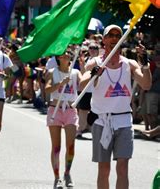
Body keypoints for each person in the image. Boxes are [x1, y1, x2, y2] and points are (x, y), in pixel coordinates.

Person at [80, 25, 152, 189]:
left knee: (123, 168)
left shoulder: (130, 63)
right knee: (104, 169)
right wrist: (94, 74)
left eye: (117, 35)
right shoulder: (94, 63)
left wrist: (145, 64)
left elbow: (146, 84)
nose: (114, 38)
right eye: (110, 35)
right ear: (104, 39)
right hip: (101, 121)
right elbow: (81, 84)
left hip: (124, 121)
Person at [45, 50, 81, 189]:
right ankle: (57, 177)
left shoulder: (75, 72)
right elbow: (47, 89)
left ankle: (67, 173)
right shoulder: (51, 71)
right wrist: (60, 83)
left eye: (68, 54)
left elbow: (84, 83)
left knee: (70, 146)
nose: (66, 55)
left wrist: (89, 70)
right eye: (63, 54)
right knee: (56, 147)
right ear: (58, 58)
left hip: (71, 110)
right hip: (55, 109)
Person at [76, 41, 100, 138]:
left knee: (96, 111)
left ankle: (93, 130)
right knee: (83, 111)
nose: (92, 50)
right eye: (91, 48)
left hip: (97, 90)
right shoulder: (85, 60)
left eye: (95, 48)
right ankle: (80, 129)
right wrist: (82, 66)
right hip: (86, 90)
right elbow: (83, 76)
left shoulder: (102, 60)